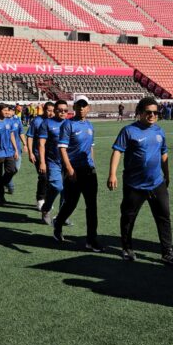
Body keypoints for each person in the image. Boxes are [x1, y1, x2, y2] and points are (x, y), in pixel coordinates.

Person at [108, 97, 173, 266]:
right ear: (140, 112)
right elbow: (117, 152)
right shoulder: (128, 131)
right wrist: (112, 174)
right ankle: (127, 248)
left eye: (155, 112)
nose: (152, 115)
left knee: (164, 217)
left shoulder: (159, 131)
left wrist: (167, 175)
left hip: (157, 183)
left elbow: (164, 155)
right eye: (148, 112)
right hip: (134, 184)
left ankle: (167, 253)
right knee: (128, 217)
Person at [52, 96, 102, 252]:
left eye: (84, 105)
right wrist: (69, 169)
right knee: (71, 204)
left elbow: (90, 147)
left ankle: (91, 240)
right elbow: (62, 148)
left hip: (88, 170)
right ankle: (58, 223)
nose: (81, 108)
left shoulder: (90, 125)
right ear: (74, 107)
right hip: (73, 170)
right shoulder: (68, 124)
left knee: (91, 206)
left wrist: (92, 164)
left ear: (88, 108)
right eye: (78, 105)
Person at [38, 100, 69, 225]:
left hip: (69, 162)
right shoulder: (47, 123)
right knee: (57, 186)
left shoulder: (70, 123)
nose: (62, 112)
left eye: (65, 110)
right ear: (55, 110)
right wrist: (42, 162)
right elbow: (41, 144)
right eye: (60, 110)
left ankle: (62, 215)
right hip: (53, 161)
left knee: (67, 191)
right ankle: (46, 209)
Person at [26, 101, 54, 211]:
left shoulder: (54, 121)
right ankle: (40, 199)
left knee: (51, 178)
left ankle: (47, 199)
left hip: (52, 155)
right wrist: (30, 152)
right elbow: (30, 137)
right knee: (43, 176)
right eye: (49, 110)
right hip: (38, 154)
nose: (51, 113)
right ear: (44, 110)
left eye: (53, 111)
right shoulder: (37, 121)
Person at [0, 103, 19, 204]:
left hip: (9, 151)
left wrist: (16, 149)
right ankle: (0, 196)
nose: (7, 112)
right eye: (4, 110)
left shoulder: (9, 121)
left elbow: (12, 135)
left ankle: (2, 183)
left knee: (13, 170)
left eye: (7, 110)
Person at [6, 104, 26, 194]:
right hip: (6, 149)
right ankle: (10, 186)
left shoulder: (17, 120)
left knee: (16, 169)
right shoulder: (2, 120)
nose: (9, 112)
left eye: (11, 110)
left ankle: (4, 180)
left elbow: (21, 132)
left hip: (17, 148)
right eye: (7, 110)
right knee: (10, 169)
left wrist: (25, 144)